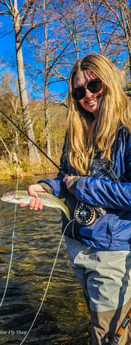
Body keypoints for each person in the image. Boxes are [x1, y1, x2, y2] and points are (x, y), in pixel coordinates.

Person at [20, 54, 131, 345]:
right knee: (98, 319)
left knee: (107, 334)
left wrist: (84, 185)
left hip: (111, 251)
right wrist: (47, 188)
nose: (88, 96)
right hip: (75, 243)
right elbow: (65, 178)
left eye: (94, 85)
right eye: (79, 91)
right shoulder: (77, 131)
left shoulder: (128, 129)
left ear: (108, 81)